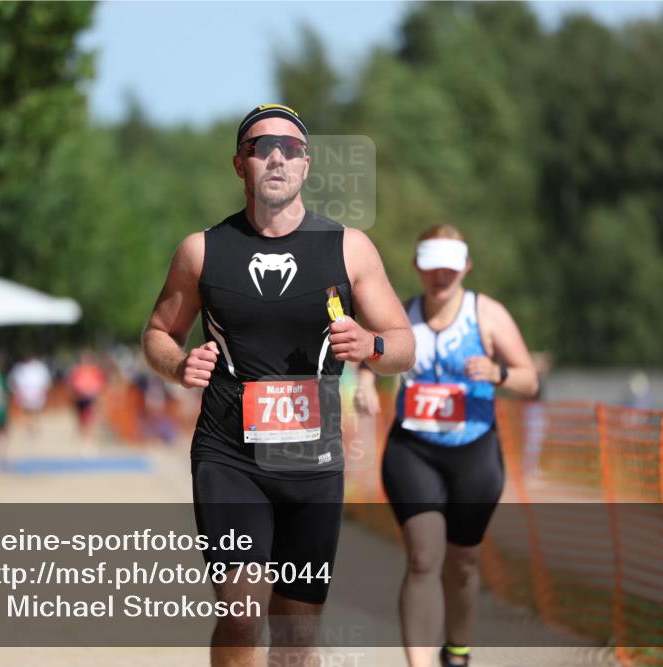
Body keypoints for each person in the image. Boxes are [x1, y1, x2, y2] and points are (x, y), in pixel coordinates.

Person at [142, 103, 415, 667]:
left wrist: (374, 346)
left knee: (296, 631)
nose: (276, 157)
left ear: (306, 165)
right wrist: (176, 364)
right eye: (261, 146)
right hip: (229, 455)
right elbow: (158, 332)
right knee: (242, 613)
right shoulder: (202, 252)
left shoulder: (348, 248)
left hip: (312, 462)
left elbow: (403, 342)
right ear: (239, 163)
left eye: (289, 148)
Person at [354, 224, 539, 667]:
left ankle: (456, 651)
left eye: (450, 268)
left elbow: (530, 380)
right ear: (419, 266)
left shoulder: (487, 315)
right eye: (433, 267)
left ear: (466, 268)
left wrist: (498, 375)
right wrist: (363, 384)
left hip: (473, 450)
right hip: (413, 450)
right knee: (422, 558)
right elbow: (370, 353)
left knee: (463, 563)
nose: (441, 276)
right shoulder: (401, 313)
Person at [8, 354, 52, 437]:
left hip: (36, 391)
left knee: (35, 410)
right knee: (26, 411)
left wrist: (43, 390)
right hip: (24, 392)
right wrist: (16, 391)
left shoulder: (39, 367)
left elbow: (45, 380)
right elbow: (13, 380)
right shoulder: (20, 368)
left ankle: (34, 426)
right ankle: (30, 427)